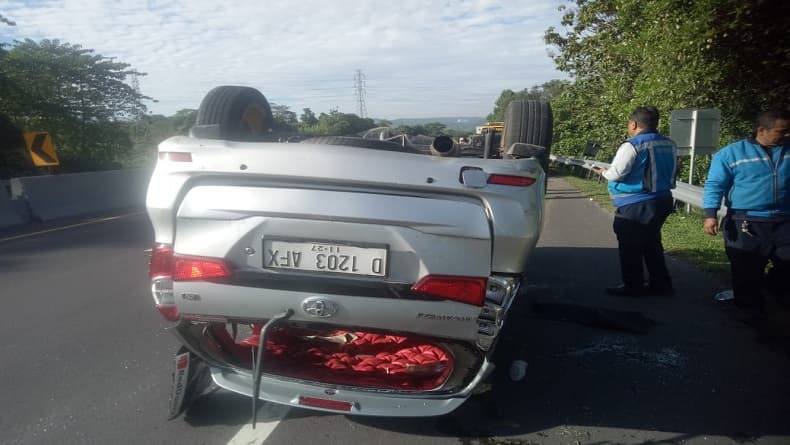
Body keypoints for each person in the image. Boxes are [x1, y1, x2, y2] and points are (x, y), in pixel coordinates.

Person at [702, 109, 790, 314]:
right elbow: (715, 184)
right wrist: (710, 215)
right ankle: (749, 313)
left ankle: (774, 291)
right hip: (746, 221)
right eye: (782, 131)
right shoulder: (732, 153)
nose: (787, 136)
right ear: (762, 130)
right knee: (746, 271)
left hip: (785, 220)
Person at [592, 106, 678, 297]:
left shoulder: (633, 145)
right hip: (662, 199)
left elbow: (617, 173)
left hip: (637, 203)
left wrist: (603, 172)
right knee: (651, 243)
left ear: (634, 124)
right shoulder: (669, 143)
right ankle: (661, 284)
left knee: (630, 247)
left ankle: (633, 286)